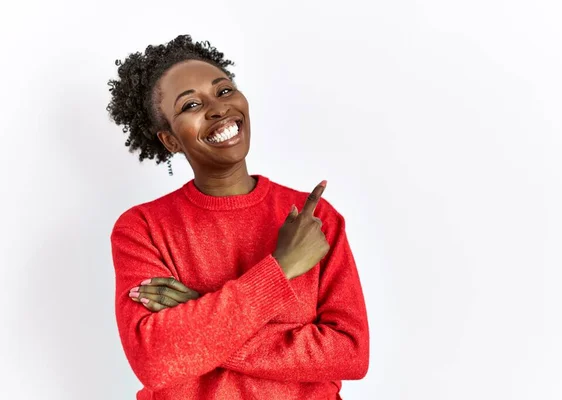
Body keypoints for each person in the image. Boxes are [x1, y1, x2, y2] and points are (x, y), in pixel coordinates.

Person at [107, 34, 369, 400]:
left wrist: (197, 315)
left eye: (225, 91)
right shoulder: (142, 228)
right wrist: (281, 268)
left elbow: (350, 354)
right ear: (170, 141)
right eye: (192, 104)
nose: (217, 109)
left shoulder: (314, 220)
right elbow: (156, 361)